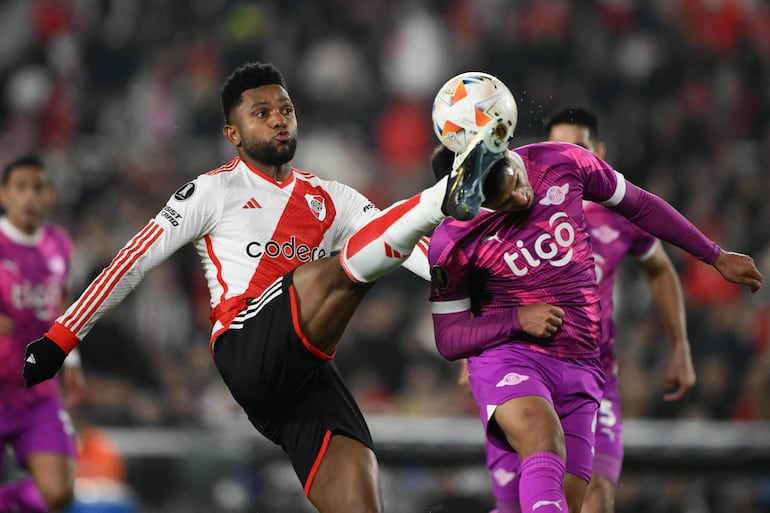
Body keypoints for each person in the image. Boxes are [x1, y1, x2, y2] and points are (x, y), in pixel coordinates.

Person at [20, 62, 507, 513]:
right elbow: (135, 259)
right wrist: (60, 340)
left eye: (286, 109)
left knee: (363, 503)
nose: (279, 120)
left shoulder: (333, 198)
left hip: (306, 374)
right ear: (233, 134)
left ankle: (445, 198)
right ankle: (443, 196)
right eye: (262, 113)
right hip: (245, 345)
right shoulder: (212, 191)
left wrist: (476, 292)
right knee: (344, 268)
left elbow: (407, 251)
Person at [428, 76, 762, 513]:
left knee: (573, 502)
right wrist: (516, 320)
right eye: (504, 201)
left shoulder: (566, 163)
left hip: (584, 363)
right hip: (510, 358)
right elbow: (449, 337)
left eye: (513, 181)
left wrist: (713, 255)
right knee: (541, 440)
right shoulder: (452, 240)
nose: (520, 195)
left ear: (505, 148)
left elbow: (641, 205)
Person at [458, 106, 699, 513]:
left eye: (579, 146)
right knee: (517, 502)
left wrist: (680, 346)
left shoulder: (620, 216)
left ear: (596, 151)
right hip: (522, 368)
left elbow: (659, 269)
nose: (568, 154)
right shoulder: (515, 211)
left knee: (596, 497)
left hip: (592, 374)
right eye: (560, 145)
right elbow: (473, 279)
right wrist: (471, 353)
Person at [0, 154, 86, 512]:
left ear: (51, 195)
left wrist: (73, 360)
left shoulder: (60, 244)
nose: (30, 197)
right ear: (4, 195)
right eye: (21, 187)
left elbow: (63, 304)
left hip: (38, 388)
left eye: (39, 187)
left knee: (59, 494)